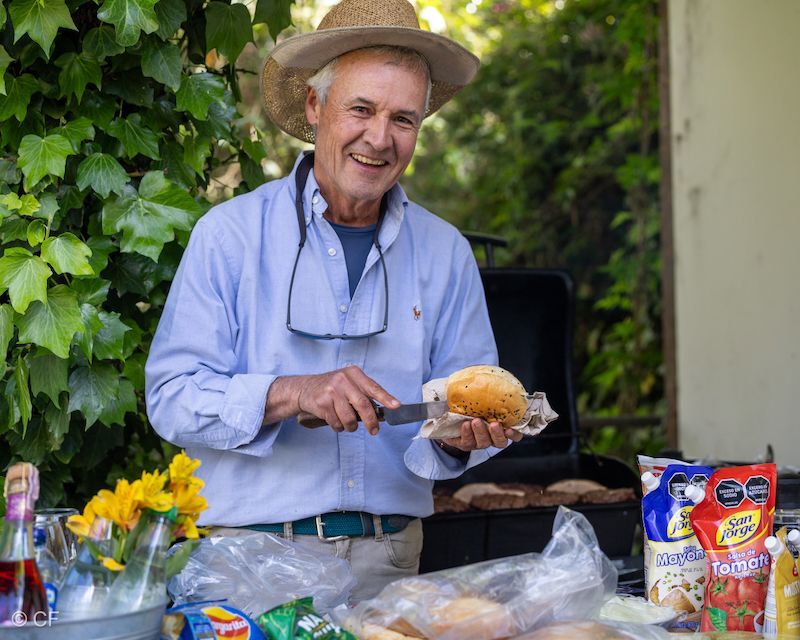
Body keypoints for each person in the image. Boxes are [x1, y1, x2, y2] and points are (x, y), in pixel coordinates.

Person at [145, 0, 523, 601]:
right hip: (249, 565)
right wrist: (292, 390)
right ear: (316, 107)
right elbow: (169, 398)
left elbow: (456, 408)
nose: (380, 138)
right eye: (362, 109)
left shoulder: (445, 252)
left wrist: (461, 436)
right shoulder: (230, 235)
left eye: (403, 119)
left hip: (389, 566)